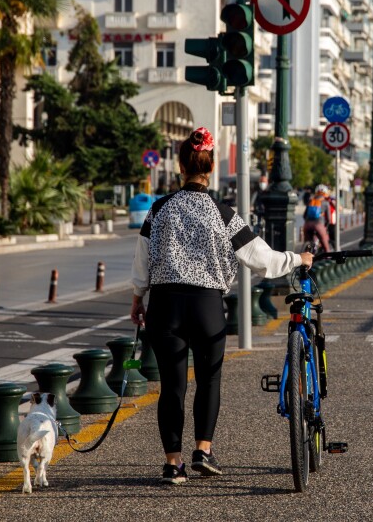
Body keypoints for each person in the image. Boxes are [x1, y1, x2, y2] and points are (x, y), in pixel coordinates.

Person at [129, 127, 312, 484]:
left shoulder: (159, 209)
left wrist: (139, 298)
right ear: (210, 167)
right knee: (209, 380)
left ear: (180, 166)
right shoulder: (222, 213)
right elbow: (263, 260)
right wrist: (299, 257)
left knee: (172, 386)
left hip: (165, 304)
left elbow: (142, 261)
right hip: (207, 307)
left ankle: (172, 464)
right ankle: (203, 450)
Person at [301, 184, 332, 253]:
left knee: (307, 243)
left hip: (307, 225)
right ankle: (329, 260)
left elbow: (304, 215)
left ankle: (304, 256)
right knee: (325, 245)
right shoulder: (326, 203)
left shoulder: (310, 201)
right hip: (318, 225)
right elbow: (329, 219)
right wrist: (326, 226)